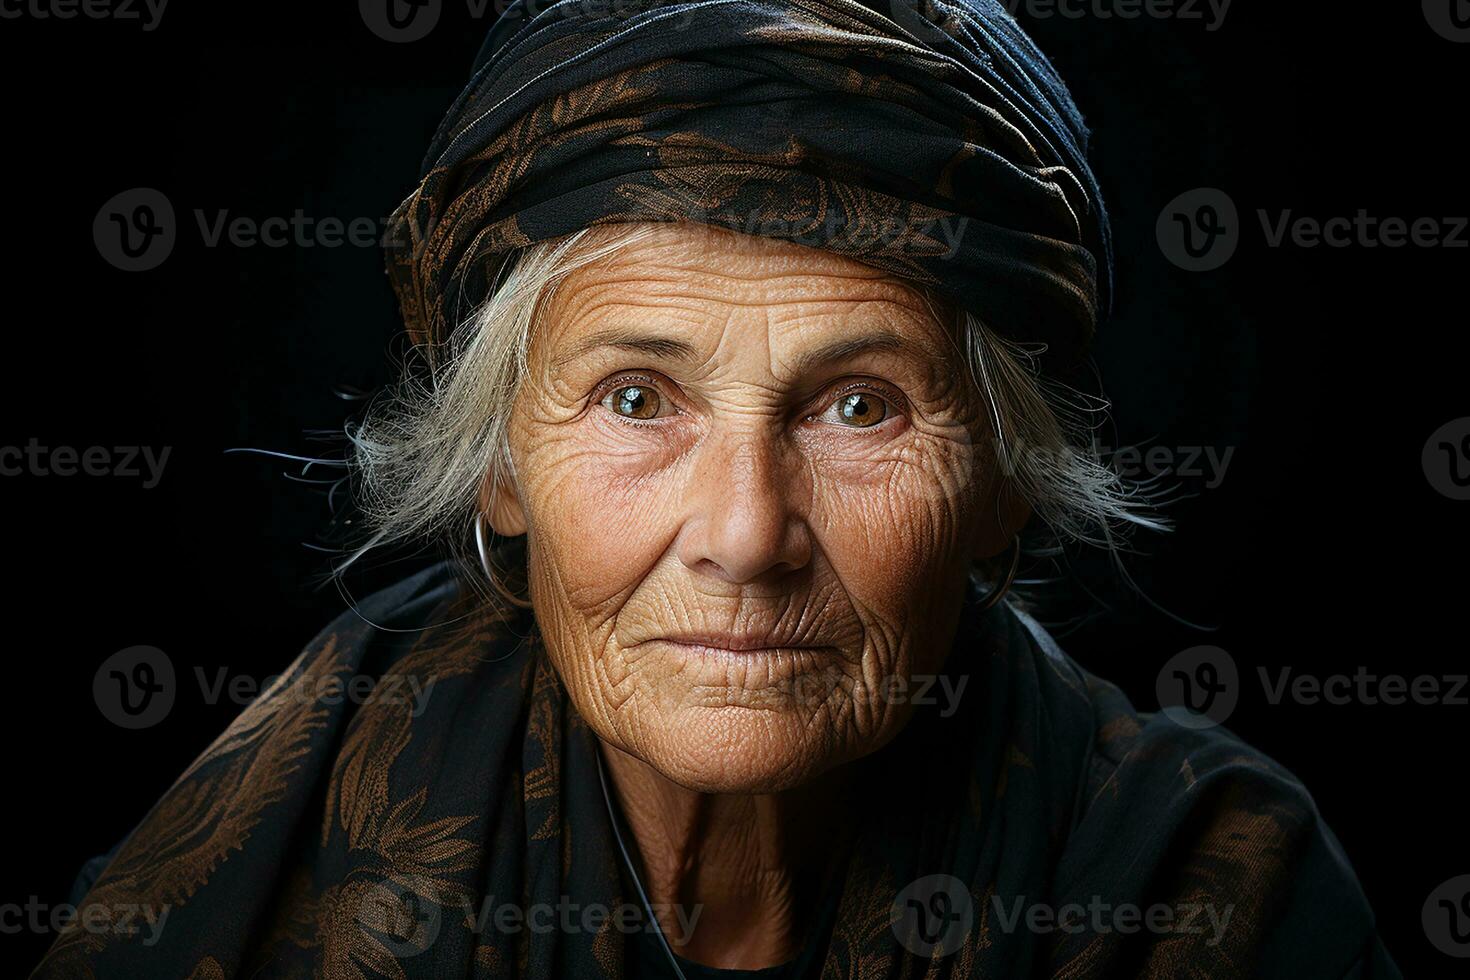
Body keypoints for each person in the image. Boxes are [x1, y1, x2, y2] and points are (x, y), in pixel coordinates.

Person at [35, 2, 1399, 977]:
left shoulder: (1207, 889)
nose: (745, 534)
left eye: (860, 405)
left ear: (1000, 483)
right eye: (636, 398)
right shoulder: (268, 870)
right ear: (501, 464)